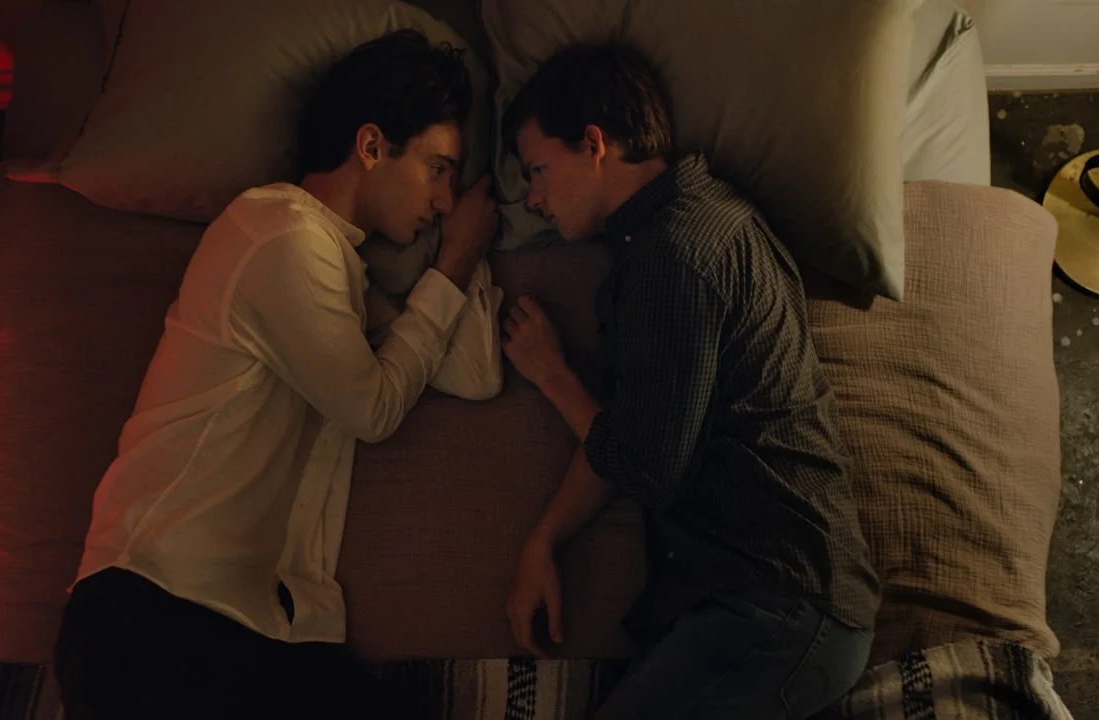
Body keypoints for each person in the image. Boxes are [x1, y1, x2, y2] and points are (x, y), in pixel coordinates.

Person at [54, 30, 500, 719]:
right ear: (371, 146)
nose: (444, 198)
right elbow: (374, 410)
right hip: (151, 615)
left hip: (258, 633)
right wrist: (455, 262)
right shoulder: (280, 235)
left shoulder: (342, 276)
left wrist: (463, 249)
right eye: (438, 169)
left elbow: (474, 373)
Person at [499, 42, 881, 719]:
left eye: (537, 171)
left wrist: (552, 374)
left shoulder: (675, 255)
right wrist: (544, 539)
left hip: (781, 601)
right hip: (771, 604)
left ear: (594, 144)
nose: (532, 199)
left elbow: (647, 466)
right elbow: (634, 429)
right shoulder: (695, 225)